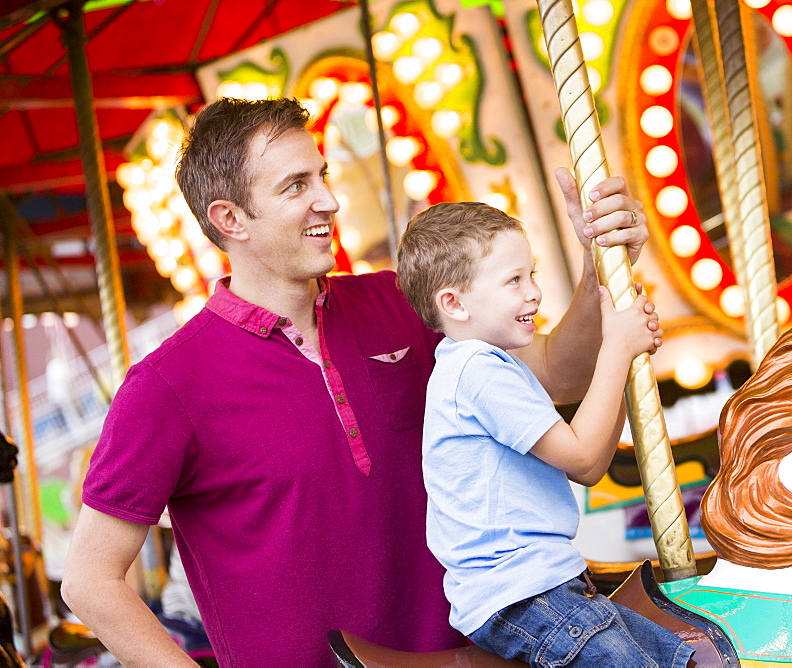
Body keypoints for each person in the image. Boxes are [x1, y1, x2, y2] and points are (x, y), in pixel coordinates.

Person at [59, 97, 656, 667]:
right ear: (229, 218)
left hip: (478, 656)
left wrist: (595, 261)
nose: (328, 200)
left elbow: (556, 372)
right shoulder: (169, 384)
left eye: (322, 175)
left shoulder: (399, 302)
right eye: (297, 186)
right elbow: (91, 582)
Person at [396, 203, 692, 667]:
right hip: (522, 594)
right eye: (514, 281)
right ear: (454, 302)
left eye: (531, 275)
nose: (534, 293)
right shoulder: (474, 371)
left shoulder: (496, 367)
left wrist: (623, 360)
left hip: (549, 586)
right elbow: (579, 453)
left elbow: (592, 466)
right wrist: (615, 347)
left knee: (683, 657)